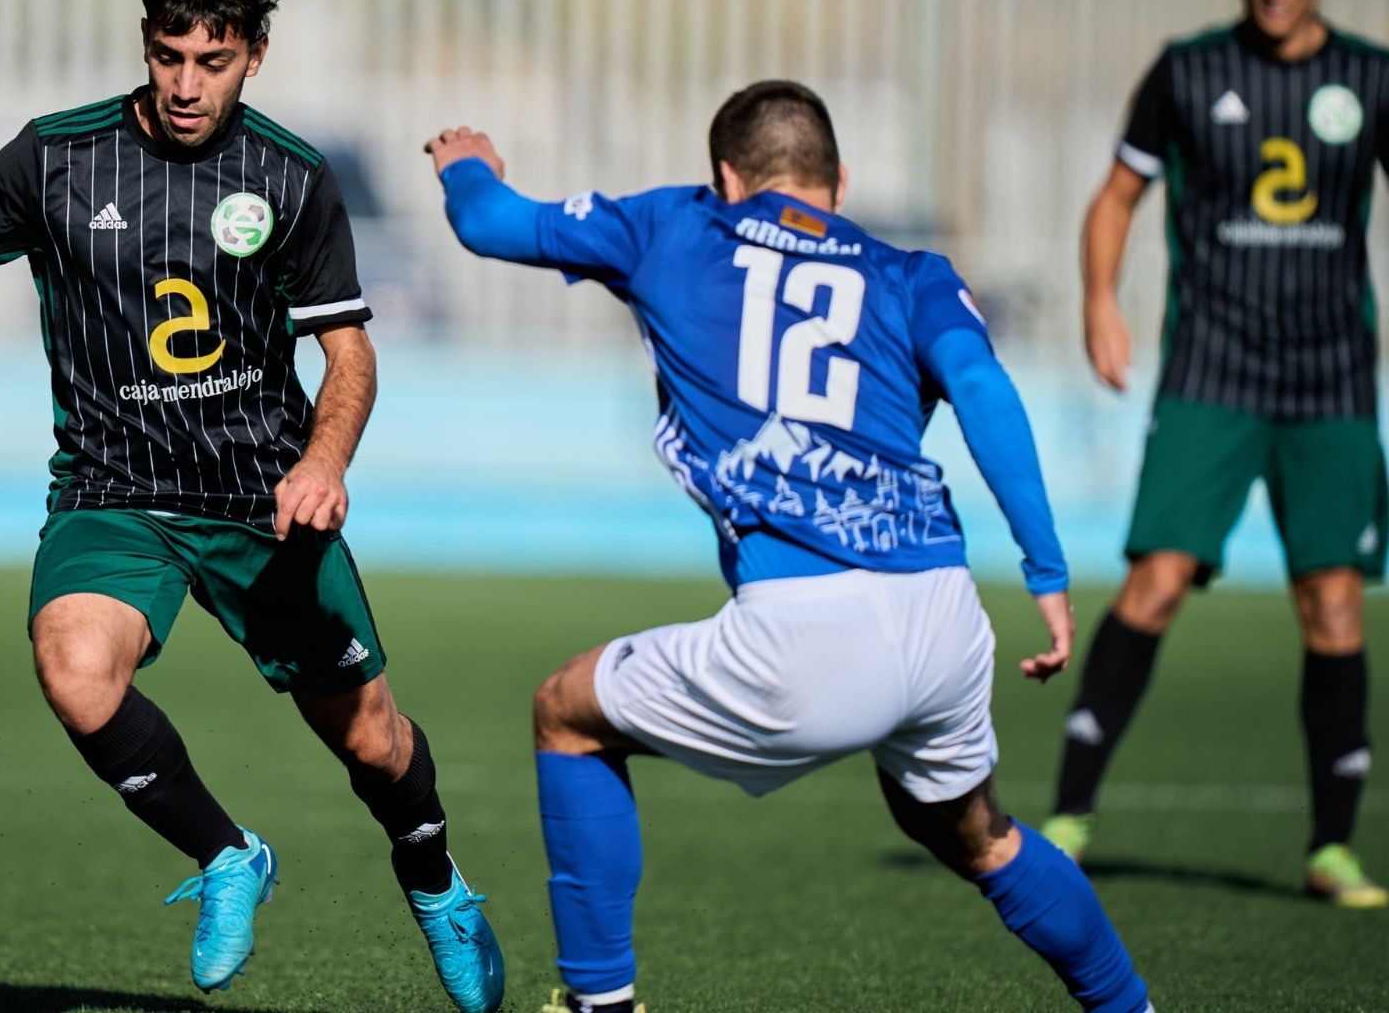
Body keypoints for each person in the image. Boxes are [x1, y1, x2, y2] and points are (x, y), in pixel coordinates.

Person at [0, 0, 503, 1009]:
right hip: (112, 493)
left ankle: (436, 882)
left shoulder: (291, 176)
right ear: (145, 44)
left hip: (262, 500)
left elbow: (350, 353)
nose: (187, 84)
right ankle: (229, 857)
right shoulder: (55, 158)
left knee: (372, 740)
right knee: (73, 664)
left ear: (254, 57)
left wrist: (323, 459)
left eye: (213, 61)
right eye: (170, 55)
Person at [427, 82, 1153, 1013]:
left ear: (725, 176)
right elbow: (983, 387)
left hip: (803, 633)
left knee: (566, 711)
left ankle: (597, 1003)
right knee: (975, 835)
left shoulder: (675, 225)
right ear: (839, 182)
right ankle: (1127, 1006)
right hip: (942, 616)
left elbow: (492, 224)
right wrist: (1046, 572)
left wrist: (466, 164)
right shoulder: (912, 271)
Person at [1041, 0, 1386, 909]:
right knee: (1156, 582)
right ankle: (1068, 817)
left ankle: (1331, 850)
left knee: (1333, 604)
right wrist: (1099, 301)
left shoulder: (1371, 76)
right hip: (1212, 370)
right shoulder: (1189, 71)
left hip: (1333, 381)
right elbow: (1117, 199)